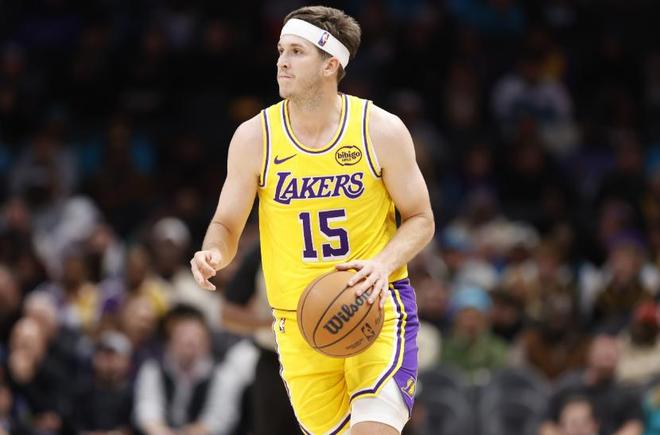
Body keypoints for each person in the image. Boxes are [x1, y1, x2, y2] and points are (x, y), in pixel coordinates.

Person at [190, 5, 434, 434]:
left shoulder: (380, 130)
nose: (282, 62)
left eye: (297, 52)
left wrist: (382, 265)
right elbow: (226, 224)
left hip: (375, 305)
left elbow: (421, 218)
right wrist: (213, 252)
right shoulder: (254, 137)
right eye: (281, 50)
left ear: (330, 63)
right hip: (299, 324)